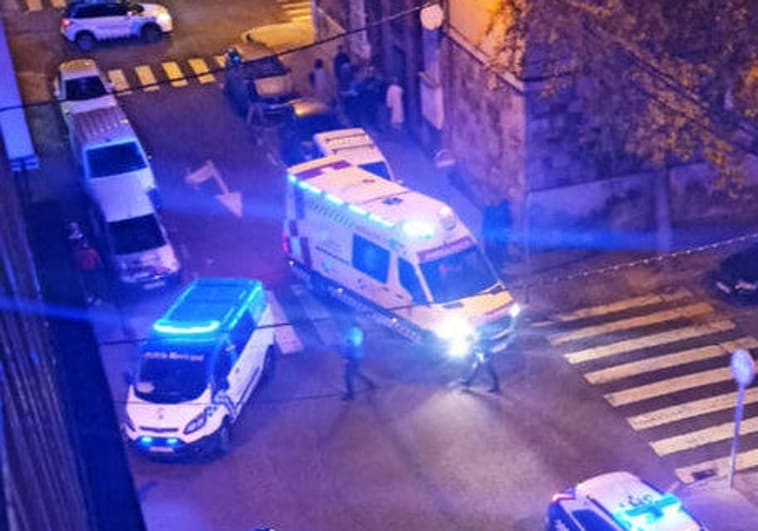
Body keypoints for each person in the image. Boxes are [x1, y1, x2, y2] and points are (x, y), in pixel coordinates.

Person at [67, 221, 104, 306]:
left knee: (93, 283)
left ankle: (97, 298)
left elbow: (97, 259)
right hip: (84, 268)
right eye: (72, 227)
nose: (74, 229)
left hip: (90, 268)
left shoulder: (82, 238)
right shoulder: (72, 241)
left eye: (74, 227)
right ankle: (92, 297)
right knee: (88, 283)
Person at [341, 321, 375, 401]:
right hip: (358, 356)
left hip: (352, 356)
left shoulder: (352, 332)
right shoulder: (360, 332)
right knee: (355, 372)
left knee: (348, 377)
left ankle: (350, 395)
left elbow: (349, 344)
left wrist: (346, 357)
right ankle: (370, 383)